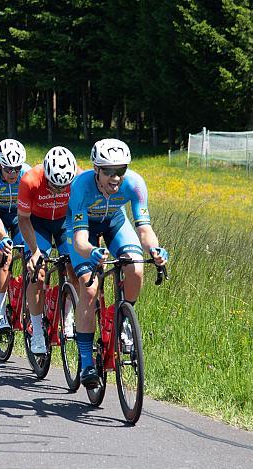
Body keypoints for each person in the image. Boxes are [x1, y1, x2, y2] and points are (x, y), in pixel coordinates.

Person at [67, 138, 168, 388]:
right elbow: (80, 239)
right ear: (96, 170)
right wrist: (91, 251)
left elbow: (144, 229)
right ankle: (87, 362)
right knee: (89, 290)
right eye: (109, 171)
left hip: (114, 223)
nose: (115, 177)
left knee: (135, 266)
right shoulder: (80, 187)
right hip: (83, 230)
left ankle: (123, 319)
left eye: (120, 170)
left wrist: (155, 249)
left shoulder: (134, 183)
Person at [17, 146, 79, 353]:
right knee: (37, 272)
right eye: (54, 186)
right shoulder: (29, 180)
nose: (59, 191)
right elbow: (23, 220)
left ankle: (68, 316)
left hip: (65, 224)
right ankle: (36, 332)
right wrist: (34, 251)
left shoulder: (79, 178)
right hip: (37, 224)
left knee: (75, 269)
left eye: (64, 187)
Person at [0, 139, 31, 335]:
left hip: (19, 217)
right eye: (8, 169)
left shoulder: (26, 175)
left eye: (15, 169)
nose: (12, 174)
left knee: (32, 258)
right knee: (5, 256)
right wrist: (3, 237)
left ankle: (25, 303)